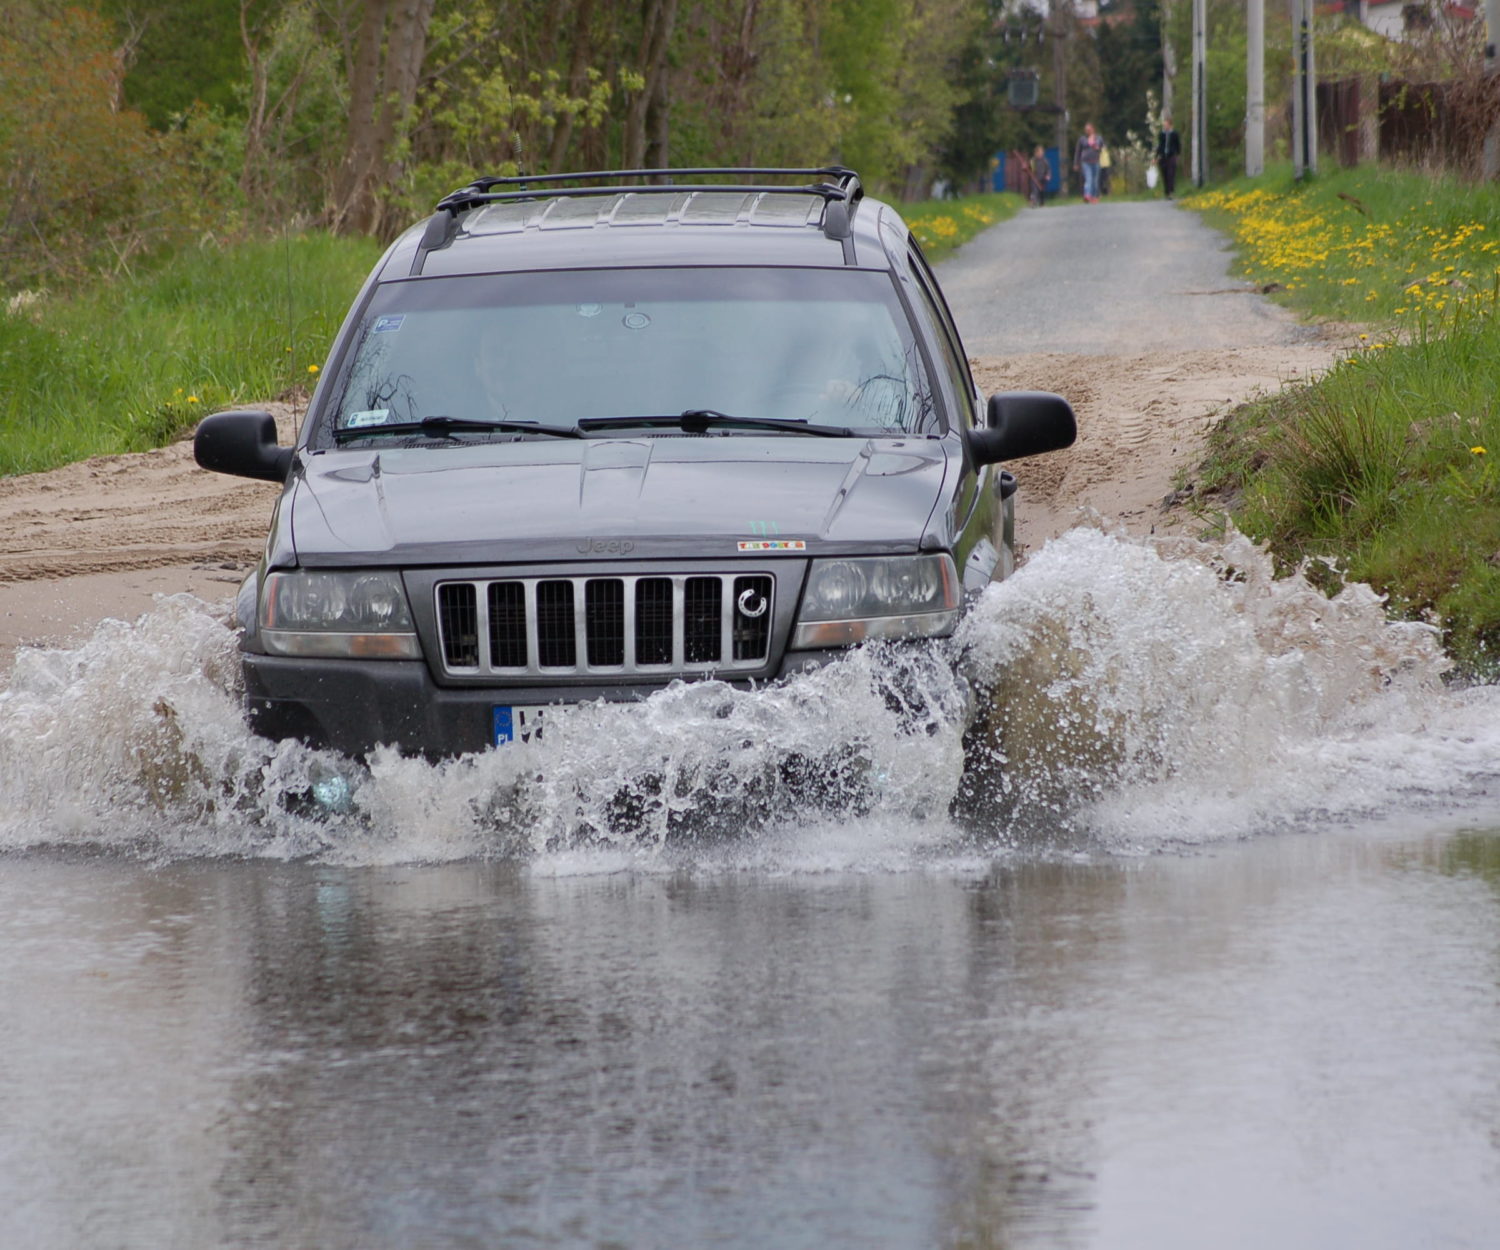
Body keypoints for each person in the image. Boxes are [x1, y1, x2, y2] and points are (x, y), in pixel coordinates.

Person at [1073, 122, 1103, 203]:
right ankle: (1087, 195)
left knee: (1095, 180)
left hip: (1096, 161)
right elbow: (1078, 151)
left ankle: (1094, 196)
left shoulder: (1098, 138)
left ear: (1093, 129)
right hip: (1085, 162)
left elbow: (1100, 147)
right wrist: (1076, 163)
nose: (1087, 131)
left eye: (1089, 130)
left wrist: (1095, 144)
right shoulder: (1082, 139)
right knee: (1088, 179)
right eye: (1086, 130)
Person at [1156, 114, 1182, 200]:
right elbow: (1159, 146)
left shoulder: (1174, 134)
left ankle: (1171, 192)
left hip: (1171, 155)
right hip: (1163, 156)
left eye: (1166, 125)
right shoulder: (1161, 134)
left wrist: (1178, 154)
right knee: (1164, 174)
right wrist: (1156, 156)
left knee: (1171, 174)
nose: (1165, 126)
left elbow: (1178, 145)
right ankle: (1166, 192)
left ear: (1170, 125)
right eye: (1164, 125)